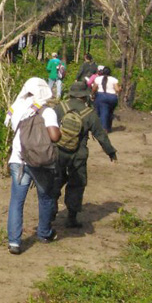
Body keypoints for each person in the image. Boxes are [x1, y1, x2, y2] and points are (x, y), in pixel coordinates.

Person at [6, 77, 61, 255]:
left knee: (16, 201)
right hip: (40, 162)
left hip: (18, 160)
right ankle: (44, 233)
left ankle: (14, 242)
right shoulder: (47, 111)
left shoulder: (16, 108)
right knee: (45, 197)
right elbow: (54, 136)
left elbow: (11, 128)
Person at [53, 81, 117, 228]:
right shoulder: (90, 113)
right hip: (78, 155)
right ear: (85, 96)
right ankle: (71, 218)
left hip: (58, 152)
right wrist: (111, 152)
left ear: (71, 94)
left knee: (55, 180)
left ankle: (50, 213)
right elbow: (101, 135)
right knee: (77, 184)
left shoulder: (59, 108)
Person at [92, 67, 121, 132]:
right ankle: (109, 127)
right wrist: (120, 89)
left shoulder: (98, 79)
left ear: (102, 72)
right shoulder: (114, 79)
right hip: (112, 97)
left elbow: (94, 88)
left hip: (101, 96)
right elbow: (117, 90)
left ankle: (104, 128)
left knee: (103, 112)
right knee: (110, 112)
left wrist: (92, 94)